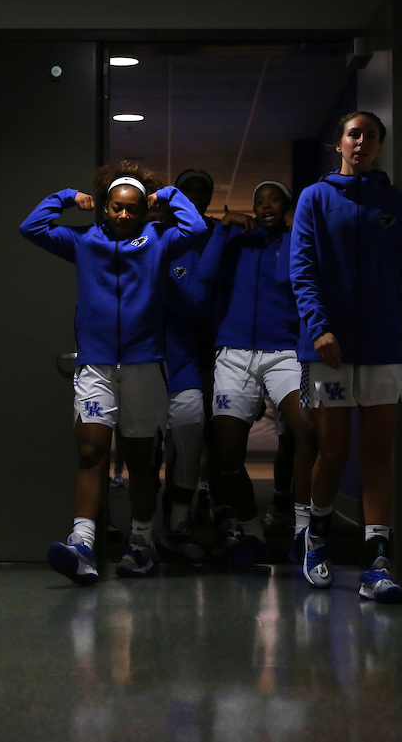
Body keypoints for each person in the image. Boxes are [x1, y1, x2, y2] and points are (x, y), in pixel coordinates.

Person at [290, 111, 402, 601]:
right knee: (333, 449)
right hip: (327, 351)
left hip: (384, 348)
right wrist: (320, 328)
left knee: (378, 452)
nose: (362, 142)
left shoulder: (395, 203)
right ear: (340, 144)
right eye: (354, 134)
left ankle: (376, 565)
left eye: (371, 137)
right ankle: (318, 538)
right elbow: (302, 270)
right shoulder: (315, 198)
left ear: (378, 147)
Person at [19, 162, 207, 584]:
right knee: (91, 453)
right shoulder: (84, 240)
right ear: (104, 208)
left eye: (133, 209)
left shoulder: (159, 240)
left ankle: (141, 546)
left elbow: (196, 231)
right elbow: (31, 227)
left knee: (141, 462)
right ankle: (82, 544)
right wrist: (66, 198)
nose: (124, 215)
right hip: (96, 365)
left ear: (144, 212)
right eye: (116, 208)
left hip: (144, 366)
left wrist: (171, 197)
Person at [197, 181, 318, 568]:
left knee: (308, 431)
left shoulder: (294, 241)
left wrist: (295, 227)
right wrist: (223, 227)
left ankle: (304, 531)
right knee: (227, 454)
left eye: (274, 200)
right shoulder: (237, 241)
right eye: (259, 201)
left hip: (283, 351)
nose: (266, 206)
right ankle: (252, 532)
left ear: (285, 206)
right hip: (233, 353)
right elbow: (205, 273)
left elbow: (287, 279)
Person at [157, 170, 218, 562]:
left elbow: (201, 303)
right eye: (186, 192)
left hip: (193, 356)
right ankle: (142, 530)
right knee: (146, 451)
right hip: (146, 357)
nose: (194, 197)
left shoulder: (213, 238)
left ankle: (180, 520)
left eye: (201, 192)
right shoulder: (151, 237)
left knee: (190, 442)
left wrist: (164, 289)